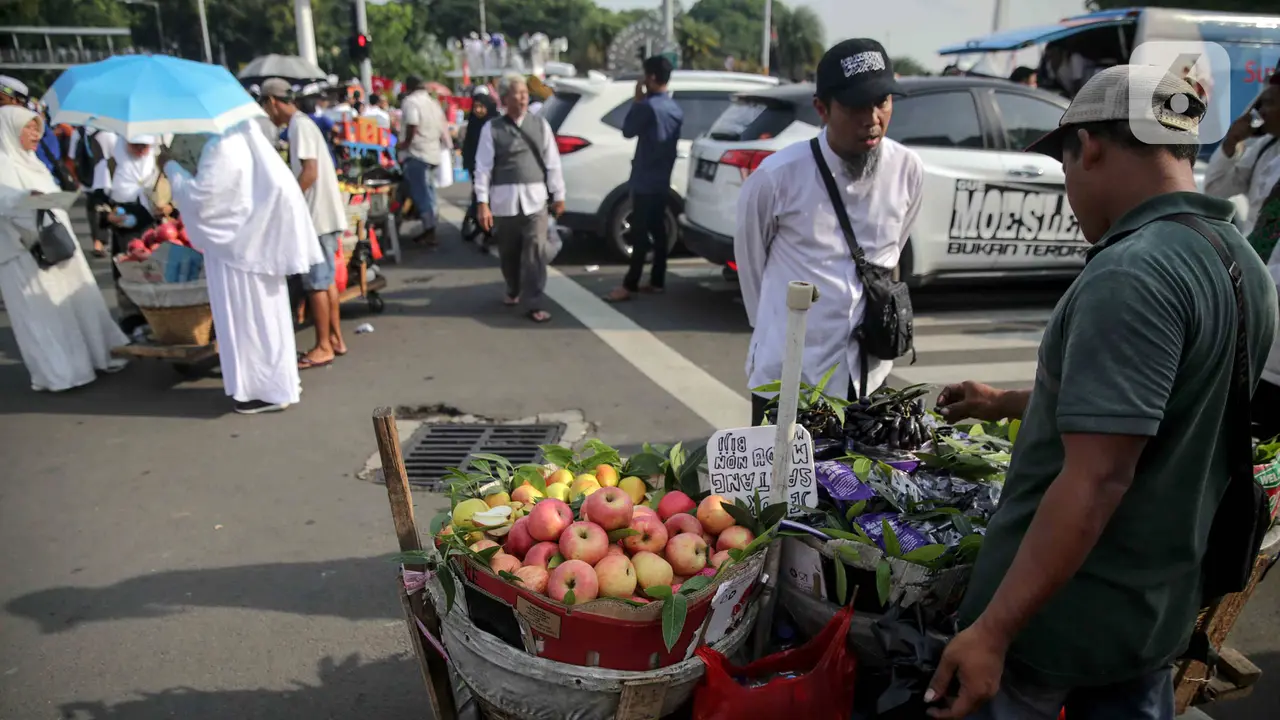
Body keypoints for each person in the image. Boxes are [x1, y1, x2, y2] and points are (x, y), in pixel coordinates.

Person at [924, 66, 1278, 720]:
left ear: (1088, 145)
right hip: (1149, 620)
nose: (1068, 188)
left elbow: (1097, 479)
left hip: (1058, 627)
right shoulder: (1240, 264)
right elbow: (1149, 411)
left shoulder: (1134, 273)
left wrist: (993, 632)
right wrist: (1005, 402)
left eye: (1064, 166)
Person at [735, 39, 924, 425]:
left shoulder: (908, 170)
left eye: (883, 101)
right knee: (780, 485)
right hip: (789, 380)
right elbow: (753, 272)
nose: (872, 118)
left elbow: (891, 255)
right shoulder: (777, 178)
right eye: (856, 106)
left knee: (858, 483)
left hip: (867, 379)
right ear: (822, 109)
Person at [160, 121, 323, 415]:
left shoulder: (221, 145)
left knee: (248, 322)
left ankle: (263, 389)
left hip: (237, 251)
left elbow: (203, 202)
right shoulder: (244, 136)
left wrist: (173, 169)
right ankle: (276, 384)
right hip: (252, 245)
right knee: (266, 320)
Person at [0, 105, 129, 392]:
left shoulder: (32, 162)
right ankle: (61, 373)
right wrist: (24, 196)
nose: (36, 134)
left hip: (56, 245)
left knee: (72, 304)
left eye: (38, 128)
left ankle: (94, 357)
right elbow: (5, 200)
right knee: (41, 313)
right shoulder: (3, 163)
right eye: (29, 128)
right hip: (23, 254)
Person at [1206, 73, 1280, 439]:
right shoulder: (1266, 150)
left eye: (1267, 102)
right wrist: (1233, 141)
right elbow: (1218, 189)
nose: (1260, 112)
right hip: (1256, 304)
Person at [259, 78, 350, 370]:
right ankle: (335, 339)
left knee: (317, 284)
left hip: (317, 217)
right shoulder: (301, 126)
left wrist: (288, 201)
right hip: (323, 214)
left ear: (272, 101)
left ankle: (324, 345)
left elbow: (309, 172)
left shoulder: (299, 126)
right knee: (325, 282)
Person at [474, 73, 565, 324]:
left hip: (536, 201)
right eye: (517, 93)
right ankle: (513, 288)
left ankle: (534, 302)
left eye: (525, 92)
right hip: (505, 202)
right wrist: (482, 203)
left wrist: (559, 194)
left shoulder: (540, 125)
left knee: (535, 252)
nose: (523, 97)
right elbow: (482, 168)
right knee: (509, 254)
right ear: (504, 99)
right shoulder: (491, 129)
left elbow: (552, 162)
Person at [604, 56, 684, 304]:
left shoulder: (648, 106)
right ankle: (657, 280)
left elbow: (628, 130)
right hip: (662, 179)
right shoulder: (674, 108)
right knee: (658, 232)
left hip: (644, 180)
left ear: (650, 78)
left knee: (639, 234)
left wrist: (638, 99)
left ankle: (630, 285)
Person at [101, 134, 164, 333]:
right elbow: (98, 201)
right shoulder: (111, 164)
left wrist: (169, 207)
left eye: (145, 146)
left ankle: (162, 321)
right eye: (135, 145)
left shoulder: (161, 163)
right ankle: (132, 322)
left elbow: (174, 194)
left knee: (158, 276)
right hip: (125, 234)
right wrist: (108, 217)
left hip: (156, 230)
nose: (140, 150)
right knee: (128, 277)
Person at [398, 75, 452, 245]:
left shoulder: (411, 102)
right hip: (432, 153)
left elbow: (412, 123)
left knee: (422, 194)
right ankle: (430, 226)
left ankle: (430, 230)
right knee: (429, 192)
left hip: (417, 153)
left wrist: (405, 143)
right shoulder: (433, 103)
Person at [68, 124, 119, 257]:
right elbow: (117, 157)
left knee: (91, 209)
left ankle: (96, 241)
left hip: (87, 178)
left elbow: (72, 156)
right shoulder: (109, 133)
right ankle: (101, 242)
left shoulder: (77, 133)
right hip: (105, 178)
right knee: (104, 208)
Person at [461, 90, 499, 248]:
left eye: (481, 107)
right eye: (475, 107)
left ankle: (489, 232)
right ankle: (484, 230)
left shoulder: (495, 123)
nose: (478, 110)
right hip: (476, 167)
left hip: (493, 167)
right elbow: (468, 145)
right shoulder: (473, 123)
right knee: (480, 198)